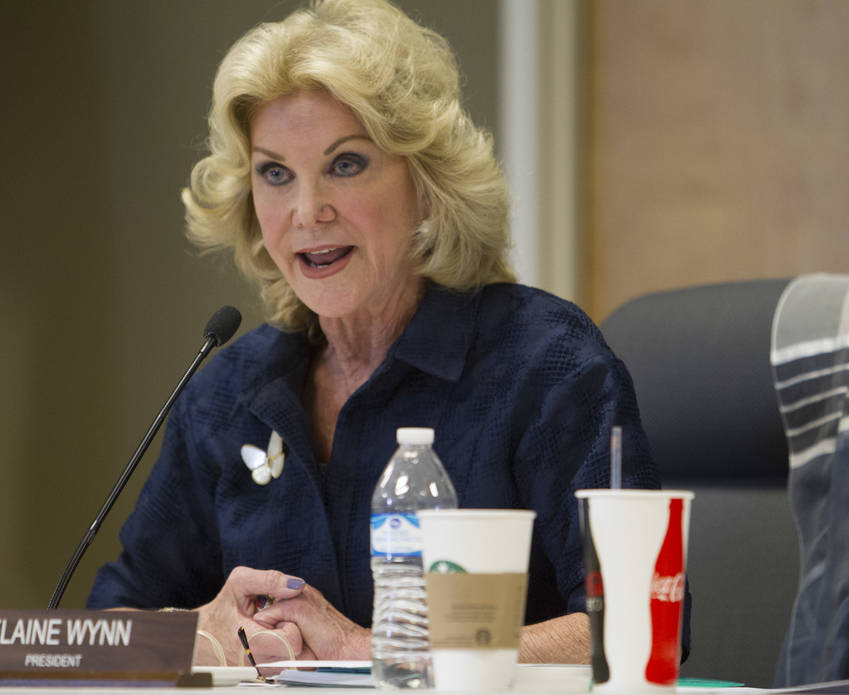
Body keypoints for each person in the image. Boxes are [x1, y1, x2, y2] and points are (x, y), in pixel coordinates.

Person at [87, 0, 665, 668]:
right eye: (275, 173)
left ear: (425, 181)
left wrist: (380, 649)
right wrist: (198, 629)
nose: (308, 212)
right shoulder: (226, 397)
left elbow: (637, 627)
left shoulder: (547, 364)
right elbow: (104, 626)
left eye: (346, 164)